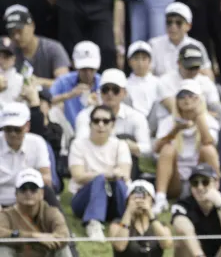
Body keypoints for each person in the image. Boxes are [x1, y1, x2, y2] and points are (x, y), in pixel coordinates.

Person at [152, 83, 220, 215]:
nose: (187, 99)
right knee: (167, 149)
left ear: (199, 99)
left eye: (191, 96)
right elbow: (156, 149)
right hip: (176, 179)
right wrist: (176, 130)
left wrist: (199, 118)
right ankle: (160, 199)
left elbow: (209, 141)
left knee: (208, 150)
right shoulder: (168, 121)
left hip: (200, 176)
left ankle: (215, 194)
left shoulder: (209, 120)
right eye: (182, 96)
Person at [69, 105, 132, 242]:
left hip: (113, 200)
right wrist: (106, 174)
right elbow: (78, 176)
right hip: (84, 200)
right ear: (90, 124)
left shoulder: (120, 145)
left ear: (112, 124)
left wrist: (108, 175)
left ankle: (128, 219)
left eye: (105, 121)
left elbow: (125, 173)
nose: (101, 125)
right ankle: (93, 223)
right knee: (99, 179)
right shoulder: (78, 145)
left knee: (119, 183)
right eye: (96, 121)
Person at [170, 163, 221, 257]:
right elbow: (182, 228)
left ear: (216, 184)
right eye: (195, 183)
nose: (200, 187)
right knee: (182, 241)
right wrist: (199, 255)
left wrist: (220, 205)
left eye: (205, 182)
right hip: (195, 254)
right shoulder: (183, 204)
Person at [0, 169, 70, 257]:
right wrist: (32, 236)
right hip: (18, 254)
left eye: (33, 188)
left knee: (63, 249)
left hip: (45, 253)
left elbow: (63, 234)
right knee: (2, 248)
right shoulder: (6, 214)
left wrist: (48, 240)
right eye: (23, 188)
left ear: (42, 193)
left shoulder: (52, 212)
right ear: (16, 193)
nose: (28, 193)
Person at [7, 6, 70, 88]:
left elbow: (65, 83)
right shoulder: (9, 50)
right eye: (12, 33)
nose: (16, 37)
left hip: (51, 98)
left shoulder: (53, 48)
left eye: (19, 31)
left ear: (32, 26)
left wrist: (39, 82)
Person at [109, 180, 173, 257]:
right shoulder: (117, 224)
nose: (139, 201)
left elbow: (167, 244)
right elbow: (119, 246)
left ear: (152, 201)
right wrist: (129, 211)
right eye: (135, 197)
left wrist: (150, 214)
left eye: (144, 197)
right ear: (127, 201)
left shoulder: (161, 225)